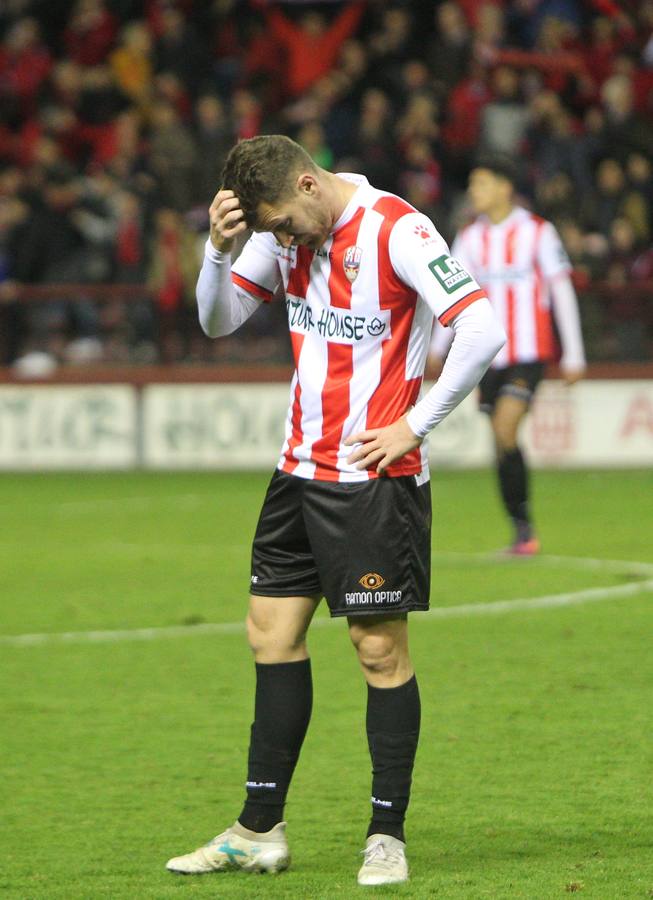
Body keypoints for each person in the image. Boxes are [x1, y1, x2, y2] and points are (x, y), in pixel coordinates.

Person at [165, 135, 505, 886]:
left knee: (377, 651)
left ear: (309, 185)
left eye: (284, 223)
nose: (282, 241)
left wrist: (417, 424)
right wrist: (218, 254)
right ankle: (258, 830)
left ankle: (386, 835)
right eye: (270, 232)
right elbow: (217, 322)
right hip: (296, 471)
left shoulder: (397, 228)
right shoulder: (281, 233)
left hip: (372, 480)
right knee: (270, 636)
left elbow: (482, 328)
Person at [429, 156, 586, 555]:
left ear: (504, 188)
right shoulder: (468, 238)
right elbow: (450, 296)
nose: (473, 192)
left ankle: (524, 528)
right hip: (485, 356)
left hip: (528, 352)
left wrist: (574, 354)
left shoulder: (538, 232)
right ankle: (521, 528)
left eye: (480, 184)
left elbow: (561, 290)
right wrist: (437, 347)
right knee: (500, 443)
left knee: (504, 429)